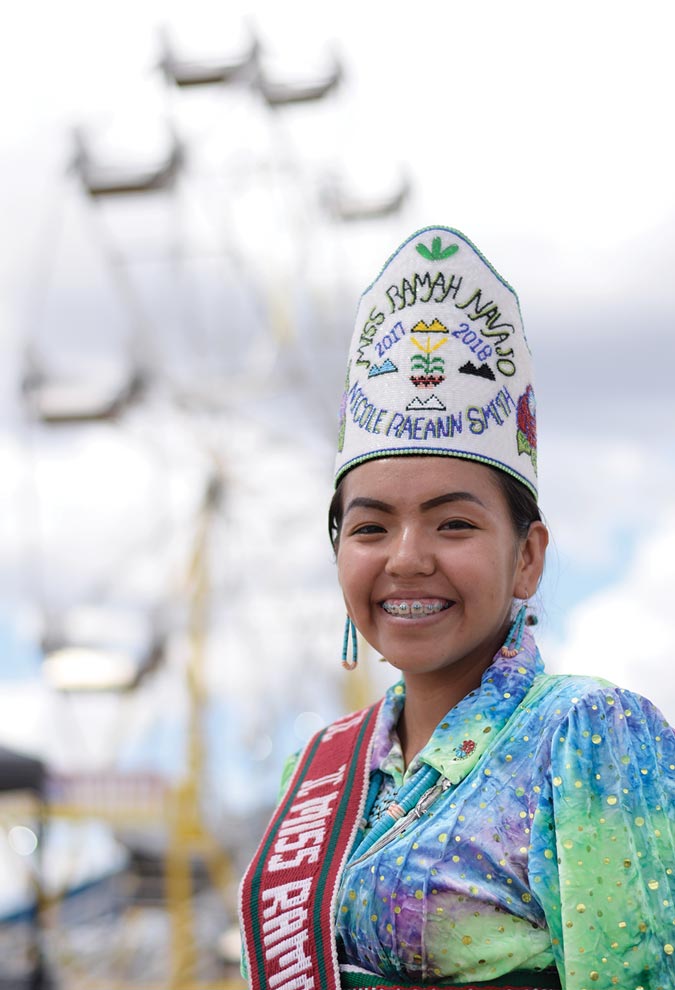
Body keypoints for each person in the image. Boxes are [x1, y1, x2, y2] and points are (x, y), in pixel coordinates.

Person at [239, 226, 675, 990]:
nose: (405, 557)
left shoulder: (585, 732)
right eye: (370, 527)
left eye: (453, 523)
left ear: (527, 555)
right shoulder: (315, 772)